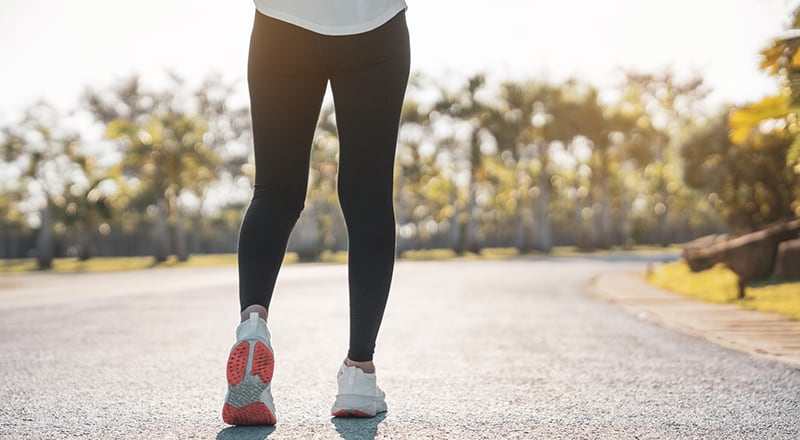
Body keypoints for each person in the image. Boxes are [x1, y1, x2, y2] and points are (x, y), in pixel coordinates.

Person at [221, 0, 410, 426]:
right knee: (368, 197)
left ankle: (253, 327)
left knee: (274, 191)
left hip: (281, 22)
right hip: (372, 23)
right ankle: (359, 375)